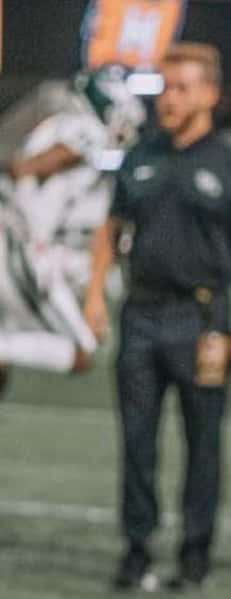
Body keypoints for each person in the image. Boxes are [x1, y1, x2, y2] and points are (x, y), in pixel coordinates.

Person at [82, 43, 231, 593]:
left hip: (204, 320)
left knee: (203, 442)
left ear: (210, 94)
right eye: (165, 88)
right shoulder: (141, 154)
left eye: (183, 88)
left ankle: (195, 552)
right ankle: (136, 548)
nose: (170, 99)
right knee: (137, 439)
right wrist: (95, 295)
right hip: (140, 315)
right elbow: (111, 228)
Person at [0, 66, 145, 394]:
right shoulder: (87, 130)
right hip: (23, 248)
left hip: (23, 244)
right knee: (82, 353)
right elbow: (30, 166)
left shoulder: (64, 124)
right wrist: (33, 231)